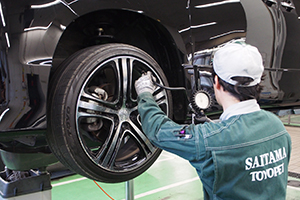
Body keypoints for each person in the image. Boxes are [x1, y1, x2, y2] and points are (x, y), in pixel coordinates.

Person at [134, 42, 292, 200]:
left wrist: (145, 94)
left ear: (216, 81)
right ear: (257, 83)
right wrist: (211, 127)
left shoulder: (207, 139)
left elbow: (159, 131)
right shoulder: (278, 127)